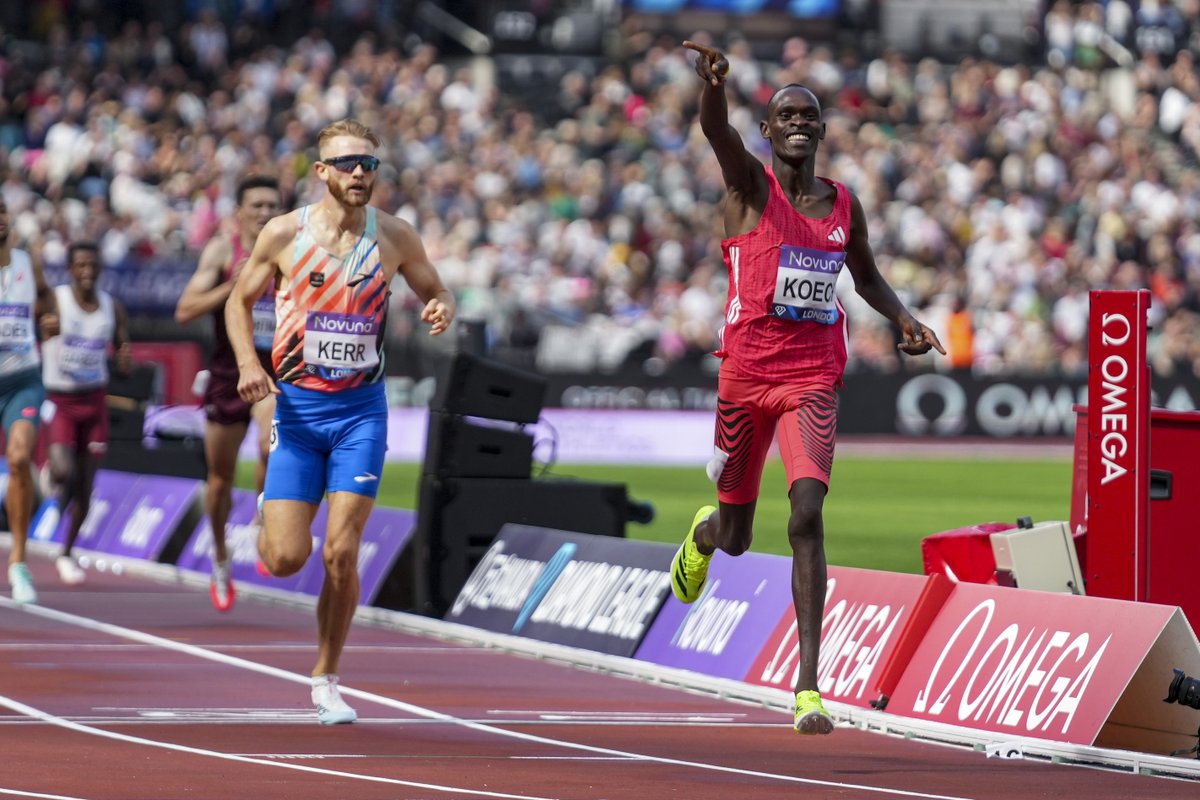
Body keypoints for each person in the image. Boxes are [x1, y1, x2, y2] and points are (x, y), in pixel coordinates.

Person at [669, 41, 945, 735]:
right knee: (737, 537)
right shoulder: (748, 188)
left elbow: (868, 276)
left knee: (806, 514)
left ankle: (808, 687)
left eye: (808, 115)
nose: (797, 122)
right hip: (744, 378)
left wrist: (906, 320)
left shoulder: (842, 204)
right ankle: (704, 534)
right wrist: (713, 86)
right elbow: (716, 130)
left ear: (821, 131)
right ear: (770, 132)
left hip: (812, 378)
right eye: (785, 114)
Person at [226, 118, 455, 724]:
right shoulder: (283, 235)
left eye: (369, 165)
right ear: (321, 171)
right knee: (284, 559)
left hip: (361, 413)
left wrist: (439, 307)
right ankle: (265, 515)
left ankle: (326, 678)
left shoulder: (396, 237)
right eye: (348, 163)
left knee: (341, 554)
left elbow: (438, 290)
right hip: (298, 413)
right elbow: (237, 302)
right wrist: (250, 363)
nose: (360, 173)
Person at [175, 175, 283, 612]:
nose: (264, 213)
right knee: (218, 480)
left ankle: (263, 525)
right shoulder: (222, 252)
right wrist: (230, 287)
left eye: (271, 205)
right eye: (255, 205)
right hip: (226, 373)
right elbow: (184, 310)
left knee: (269, 444)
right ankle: (221, 558)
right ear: (238, 213)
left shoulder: (289, 253)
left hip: (271, 372)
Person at [41, 241, 131, 585]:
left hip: (94, 403)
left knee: (85, 487)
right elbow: (35, 325)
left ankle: (66, 552)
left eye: (92, 265)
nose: (87, 272)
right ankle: (51, 473)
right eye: (80, 265)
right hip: (60, 400)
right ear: (70, 269)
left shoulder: (112, 308)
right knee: (64, 471)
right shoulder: (56, 300)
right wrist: (43, 329)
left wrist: (124, 361)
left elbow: (123, 354)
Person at [0, 200, 57, 604]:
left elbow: (47, 302)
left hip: (22, 379)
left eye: (1, 210)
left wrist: (48, 322)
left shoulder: (27, 261)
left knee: (20, 458)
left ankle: (18, 560)